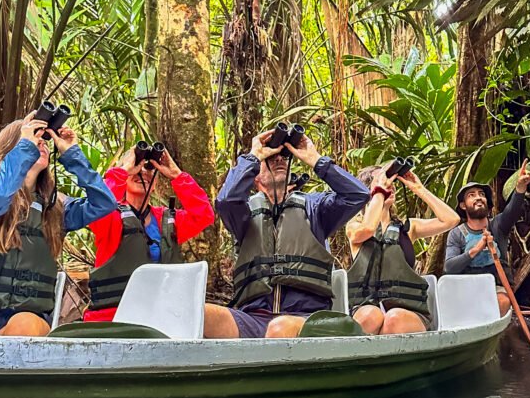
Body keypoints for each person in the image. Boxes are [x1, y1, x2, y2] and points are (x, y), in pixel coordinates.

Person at [0, 114, 117, 337]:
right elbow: (0, 195)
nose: (40, 145)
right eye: (34, 141)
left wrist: (72, 154)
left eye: (43, 143)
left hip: (26, 313)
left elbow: (105, 203)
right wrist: (25, 145)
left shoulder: (56, 208)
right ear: (14, 148)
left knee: (24, 329)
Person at [203, 128, 369, 339]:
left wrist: (315, 159)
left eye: (284, 156)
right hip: (254, 318)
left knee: (279, 328)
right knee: (201, 315)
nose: (279, 159)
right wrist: (253, 156)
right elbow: (225, 202)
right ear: (255, 177)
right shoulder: (244, 213)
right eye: (271, 157)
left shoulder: (315, 208)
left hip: (305, 317)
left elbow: (358, 194)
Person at [84, 144, 215, 321]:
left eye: (149, 168)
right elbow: (97, 207)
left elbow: (204, 214)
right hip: (114, 318)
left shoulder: (166, 221)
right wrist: (124, 169)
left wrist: (176, 175)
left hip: (160, 316)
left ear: (155, 184)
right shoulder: (110, 218)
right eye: (138, 167)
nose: (143, 173)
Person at [346, 164, 461, 334]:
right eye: (382, 180)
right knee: (370, 315)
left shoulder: (408, 227)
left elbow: (451, 220)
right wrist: (379, 192)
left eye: (391, 182)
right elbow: (368, 229)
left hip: (408, 311)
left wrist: (419, 188)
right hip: (365, 306)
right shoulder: (354, 226)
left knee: (394, 319)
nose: (389, 185)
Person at [443, 159, 530, 315]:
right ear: (463, 205)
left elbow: (512, 211)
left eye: (481, 194)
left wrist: (520, 187)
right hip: (467, 287)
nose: (478, 197)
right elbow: (449, 267)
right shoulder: (457, 234)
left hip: (496, 286)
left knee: (502, 302)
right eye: (471, 195)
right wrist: (476, 250)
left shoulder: (498, 225)